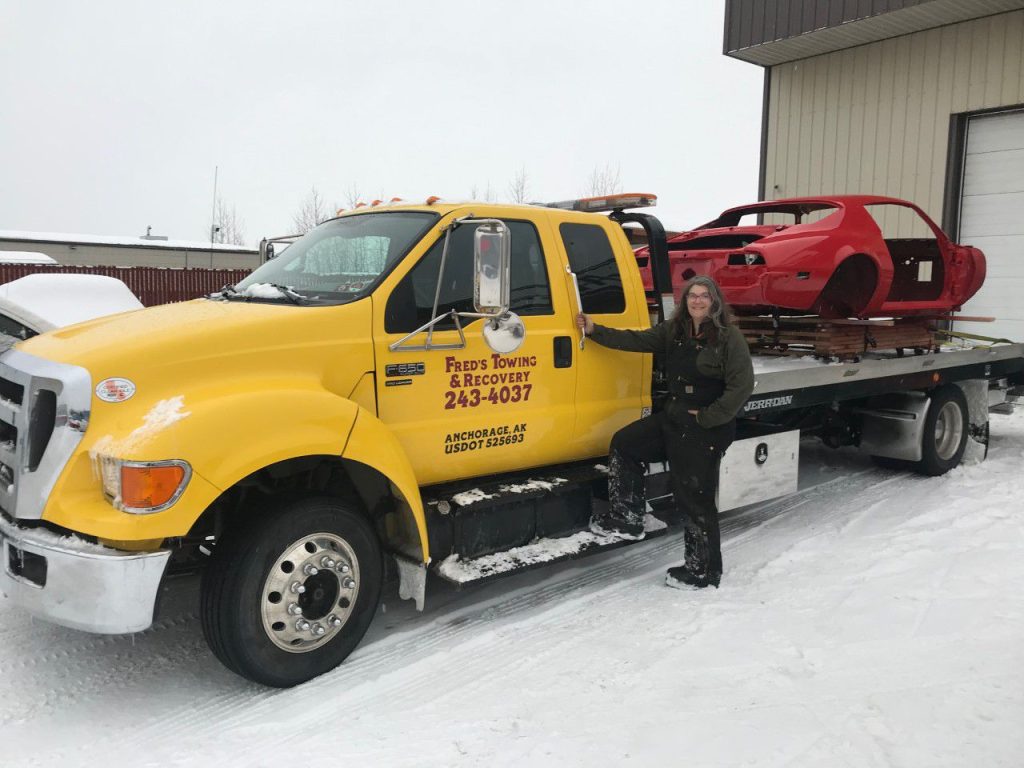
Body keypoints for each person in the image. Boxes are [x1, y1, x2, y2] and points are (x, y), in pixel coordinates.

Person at [576, 275, 754, 589]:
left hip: (705, 429)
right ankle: (627, 518)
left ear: (715, 302)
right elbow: (634, 340)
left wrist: (709, 418)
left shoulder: (729, 338)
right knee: (626, 443)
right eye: (692, 296)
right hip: (673, 419)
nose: (697, 301)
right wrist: (593, 330)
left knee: (694, 498)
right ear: (685, 301)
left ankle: (703, 572)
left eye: (704, 296)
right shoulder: (674, 332)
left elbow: (741, 387)